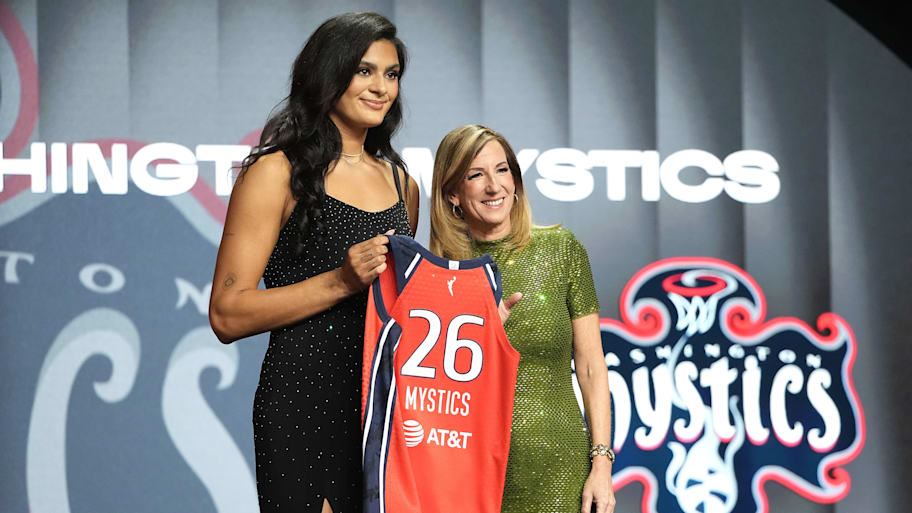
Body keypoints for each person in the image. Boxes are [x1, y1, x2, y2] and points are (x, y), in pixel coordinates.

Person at [208, 12, 418, 513]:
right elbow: (226, 314)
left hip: (383, 411)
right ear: (329, 73)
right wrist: (341, 281)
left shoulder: (404, 185)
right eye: (364, 71)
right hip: (302, 405)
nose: (381, 88)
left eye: (391, 74)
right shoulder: (275, 173)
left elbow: (402, 310)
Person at [428, 125, 616, 513]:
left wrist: (601, 463)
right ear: (452, 194)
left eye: (502, 170)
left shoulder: (561, 250)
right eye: (475, 175)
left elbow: (591, 367)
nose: (493, 186)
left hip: (561, 468)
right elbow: (430, 393)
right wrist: (481, 339)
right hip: (469, 471)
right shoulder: (439, 275)